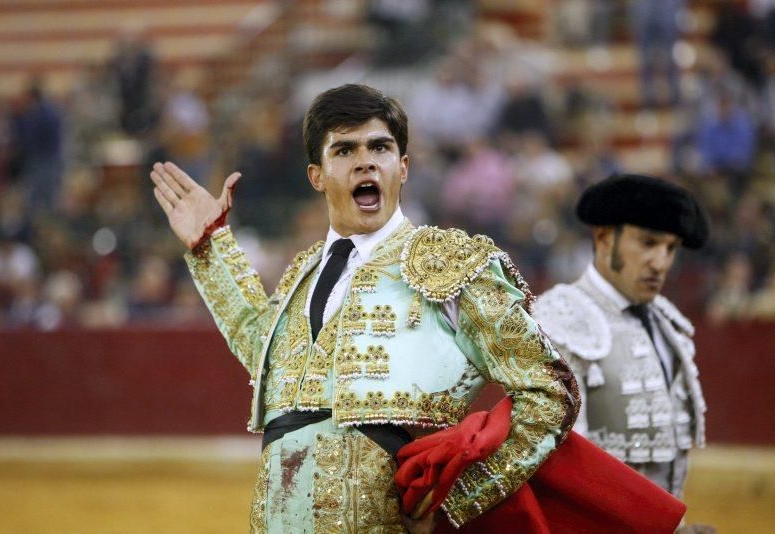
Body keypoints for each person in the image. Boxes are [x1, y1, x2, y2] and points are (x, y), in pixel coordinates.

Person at [150, 84, 579, 532]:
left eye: (380, 147)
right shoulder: (305, 272)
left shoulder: (450, 265)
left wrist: (455, 499)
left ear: (403, 167)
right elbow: (266, 354)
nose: (366, 161)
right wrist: (210, 247)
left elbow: (549, 393)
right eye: (345, 150)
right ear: (317, 175)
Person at [534, 174, 710, 499]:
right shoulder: (561, 317)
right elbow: (562, 459)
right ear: (603, 238)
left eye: (671, 248)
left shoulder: (666, 321)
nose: (661, 263)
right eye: (648, 243)